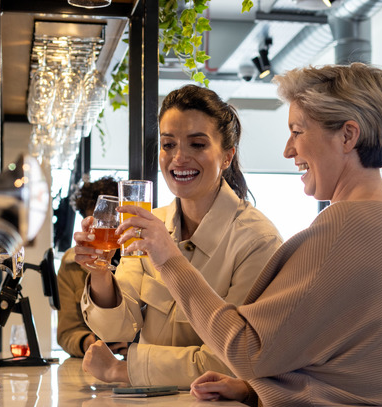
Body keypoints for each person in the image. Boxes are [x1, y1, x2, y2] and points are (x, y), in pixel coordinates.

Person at [103, 63, 382, 407]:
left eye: (297, 132)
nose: (288, 150)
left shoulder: (344, 228)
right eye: (168, 144)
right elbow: (339, 362)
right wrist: (254, 390)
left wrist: (170, 259)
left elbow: (245, 349)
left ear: (348, 136)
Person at [76, 85, 283, 387]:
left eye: (197, 145)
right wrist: (100, 271)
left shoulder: (257, 241)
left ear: (227, 156)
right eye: (168, 145)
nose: (179, 158)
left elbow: (229, 360)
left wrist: (122, 370)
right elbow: (116, 330)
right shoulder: (150, 224)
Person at [56, 175, 121, 358]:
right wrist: (90, 342)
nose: (107, 229)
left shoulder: (144, 256)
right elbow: (67, 332)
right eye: (98, 222)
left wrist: (135, 341)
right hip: (95, 367)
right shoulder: (71, 264)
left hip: (145, 362)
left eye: (113, 221)